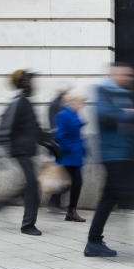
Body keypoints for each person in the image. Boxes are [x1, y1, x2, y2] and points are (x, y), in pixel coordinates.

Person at [0, 69, 56, 235]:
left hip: (26, 150)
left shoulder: (25, 102)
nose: (33, 83)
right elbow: (4, 128)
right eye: (30, 80)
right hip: (20, 151)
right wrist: (9, 148)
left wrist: (51, 143)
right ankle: (27, 225)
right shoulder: (19, 102)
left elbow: (35, 131)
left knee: (28, 186)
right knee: (33, 187)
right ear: (22, 82)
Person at [86, 63, 134, 257]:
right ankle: (94, 240)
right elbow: (103, 115)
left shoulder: (120, 92)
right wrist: (128, 114)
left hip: (122, 153)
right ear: (114, 74)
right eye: (126, 74)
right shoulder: (104, 91)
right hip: (113, 154)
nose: (130, 78)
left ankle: (94, 241)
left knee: (110, 196)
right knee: (115, 195)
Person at [54, 90, 87, 223]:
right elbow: (60, 136)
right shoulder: (63, 115)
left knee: (74, 182)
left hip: (76, 155)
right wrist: (70, 148)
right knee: (76, 182)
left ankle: (69, 210)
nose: (82, 105)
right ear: (74, 102)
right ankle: (70, 211)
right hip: (69, 155)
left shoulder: (73, 113)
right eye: (81, 102)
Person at [46, 87, 72, 211]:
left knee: (61, 176)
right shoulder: (59, 105)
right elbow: (57, 128)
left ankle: (54, 203)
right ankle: (53, 203)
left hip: (57, 145)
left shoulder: (55, 104)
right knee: (61, 176)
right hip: (59, 145)